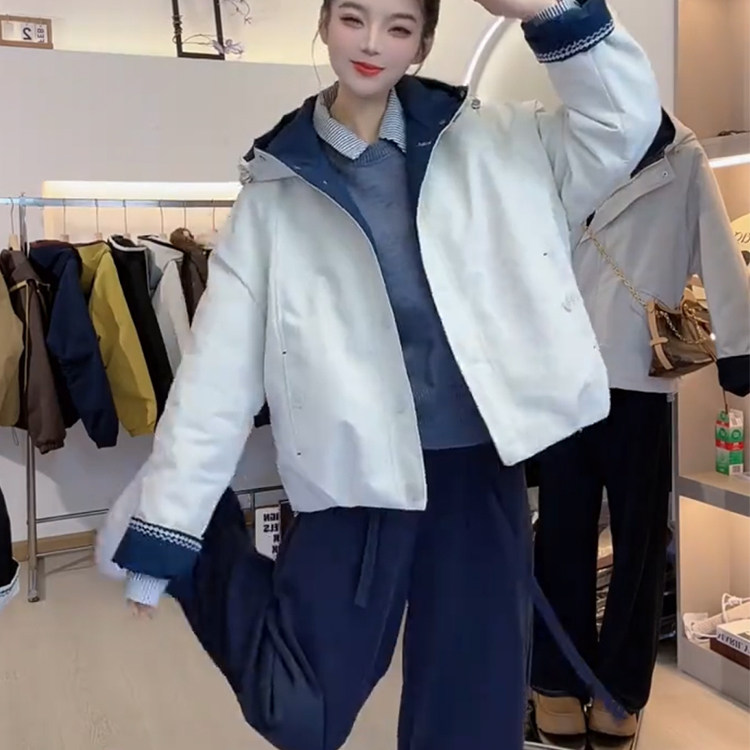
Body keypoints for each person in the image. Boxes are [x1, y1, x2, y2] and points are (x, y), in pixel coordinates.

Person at [106, 0, 661, 748]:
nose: (371, 43)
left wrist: (551, 9)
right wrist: (169, 525)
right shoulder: (276, 191)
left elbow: (625, 125)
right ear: (324, 23)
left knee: (471, 722)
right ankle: (206, 546)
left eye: (399, 27)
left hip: (476, 474)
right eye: (353, 18)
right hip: (354, 479)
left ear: (423, 44)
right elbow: (216, 375)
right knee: (298, 712)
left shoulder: (502, 142)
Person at [531, 111, 750, 741]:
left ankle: (621, 688)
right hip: (564, 374)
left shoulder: (679, 153)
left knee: (640, 542)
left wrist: (737, 347)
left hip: (640, 375)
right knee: (561, 535)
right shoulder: (548, 139)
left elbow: (717, 246)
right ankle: (556, 680)